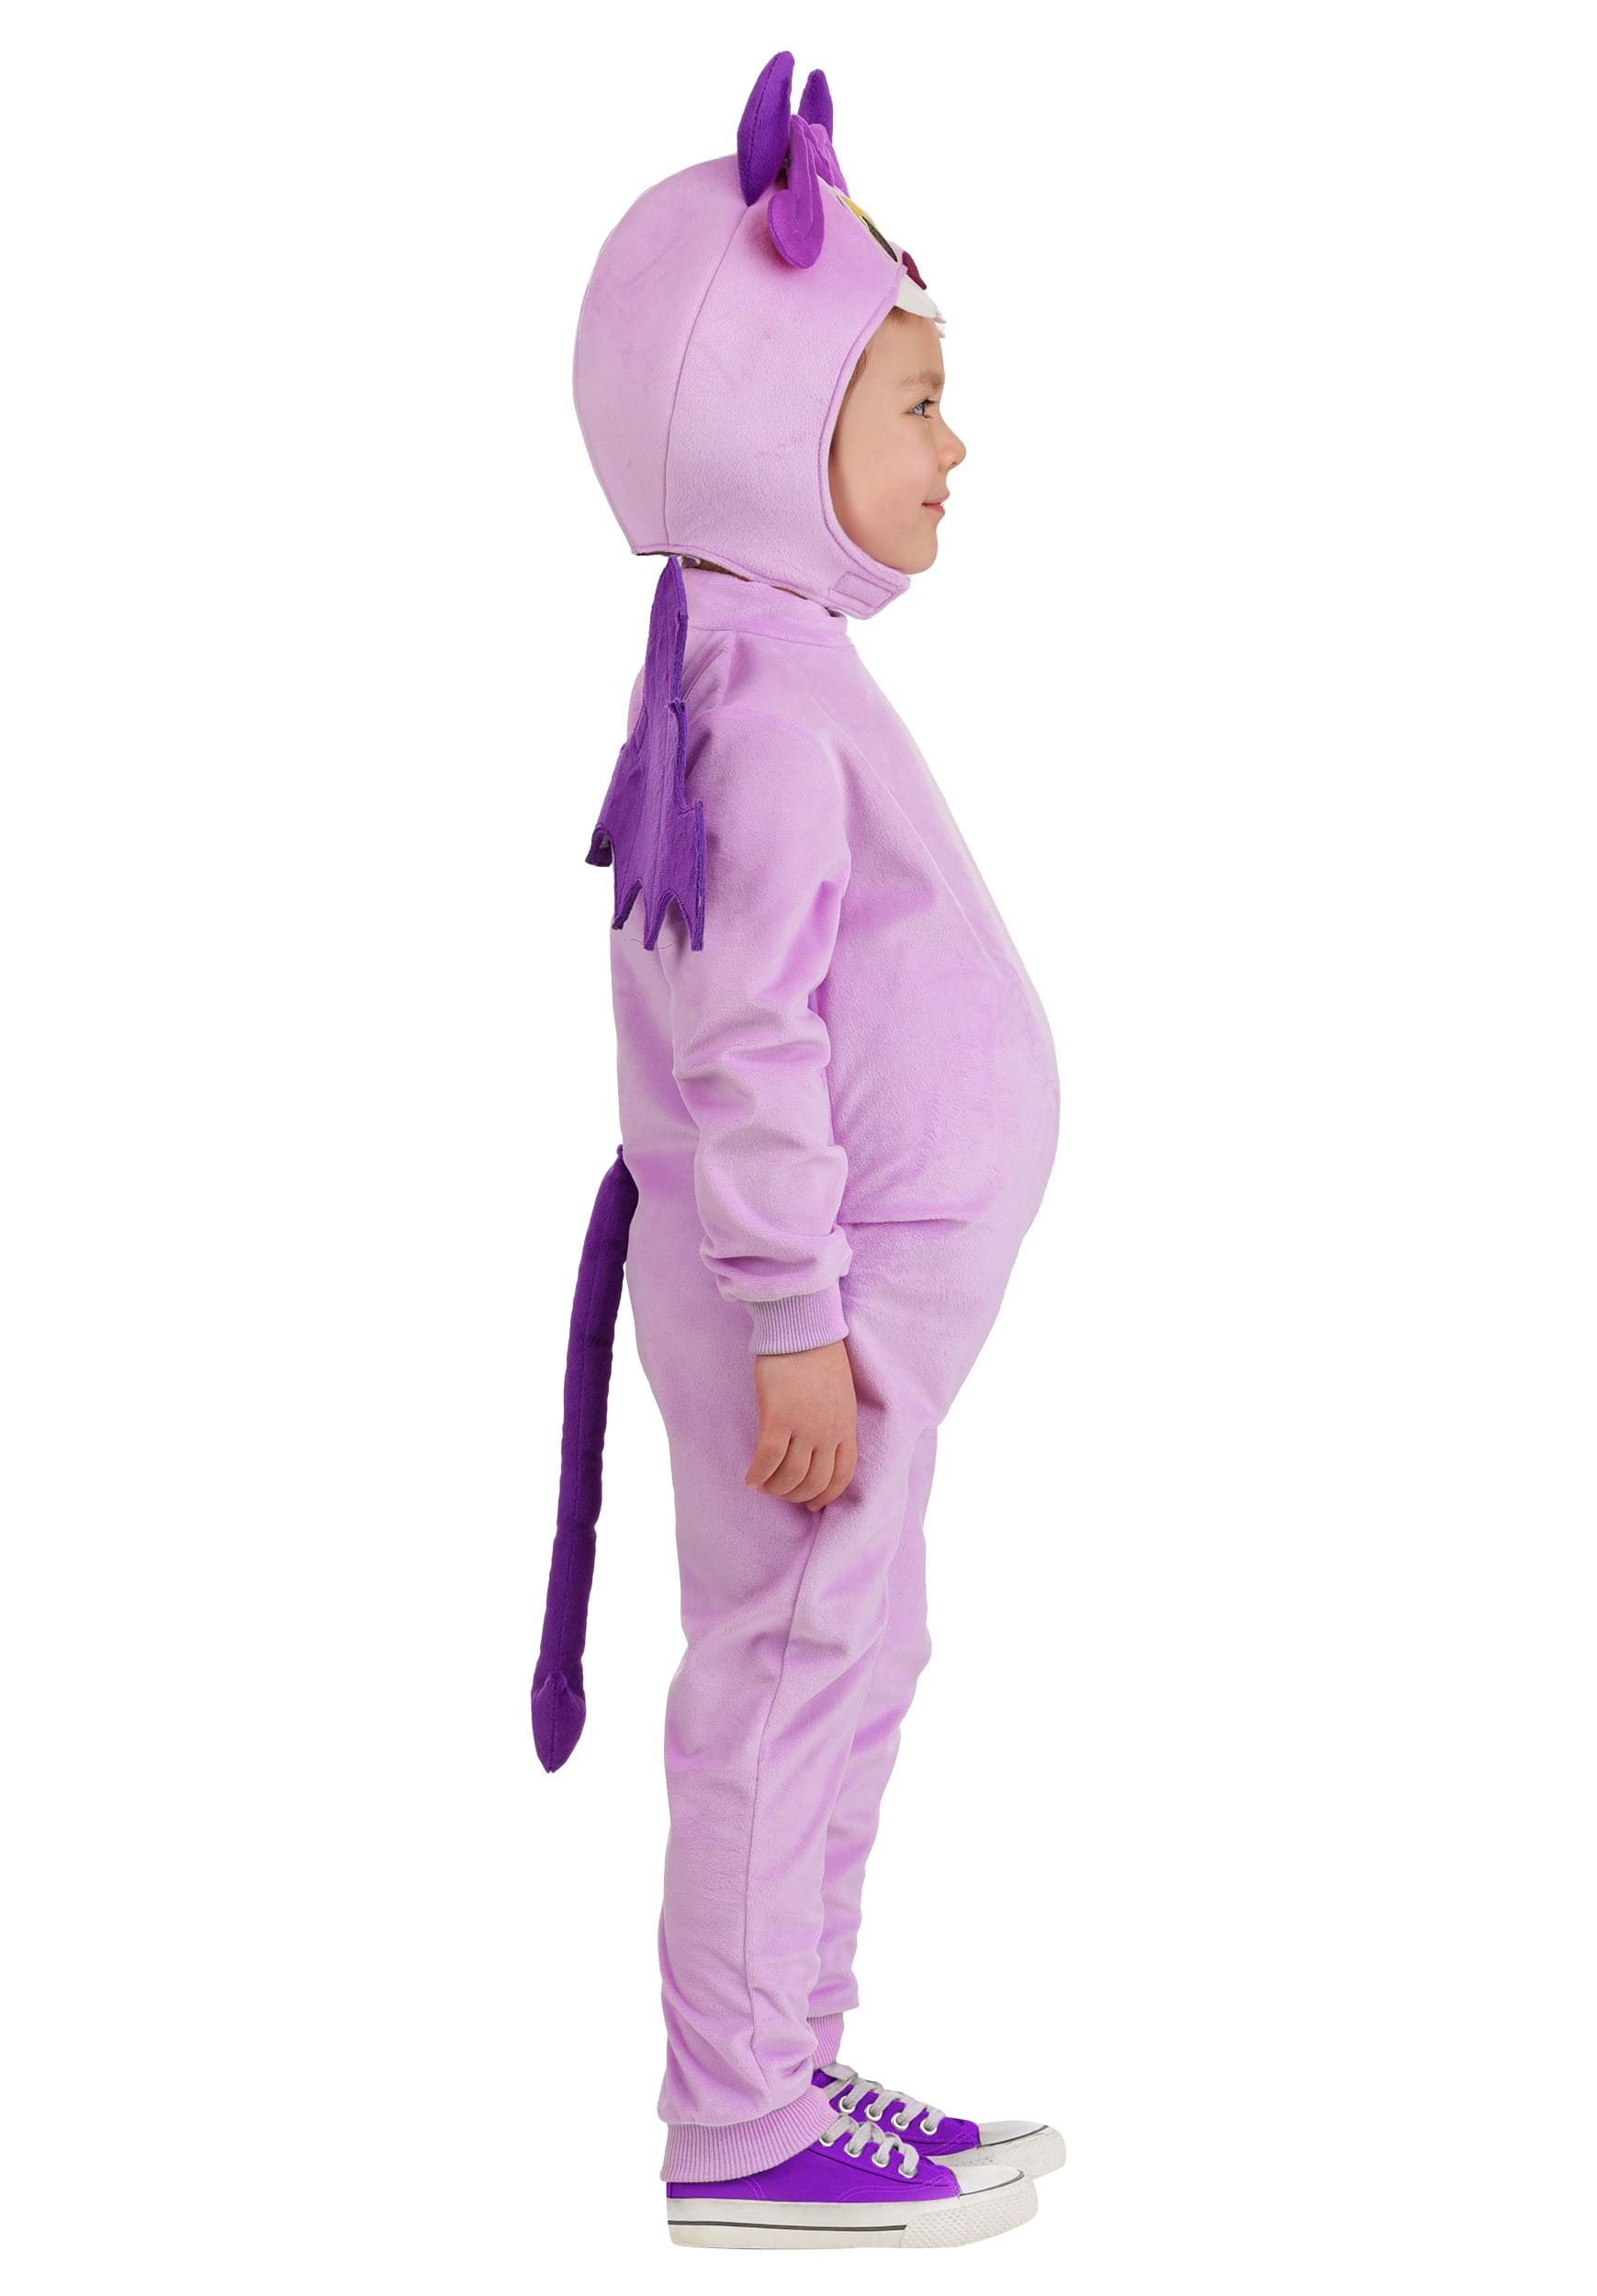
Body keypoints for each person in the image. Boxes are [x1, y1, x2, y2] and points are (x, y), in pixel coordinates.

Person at [534, 50, 1064, 2250]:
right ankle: (738, 2116)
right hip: (810, 1313)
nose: (954, 445)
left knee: (850, 1651)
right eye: (914, 400)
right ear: (772, 423)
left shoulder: (765, 660)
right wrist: (789, 1316)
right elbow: (737, 1029)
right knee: (784, 1667)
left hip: (843, 1305)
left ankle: (790, 2055)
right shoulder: (752, 694)